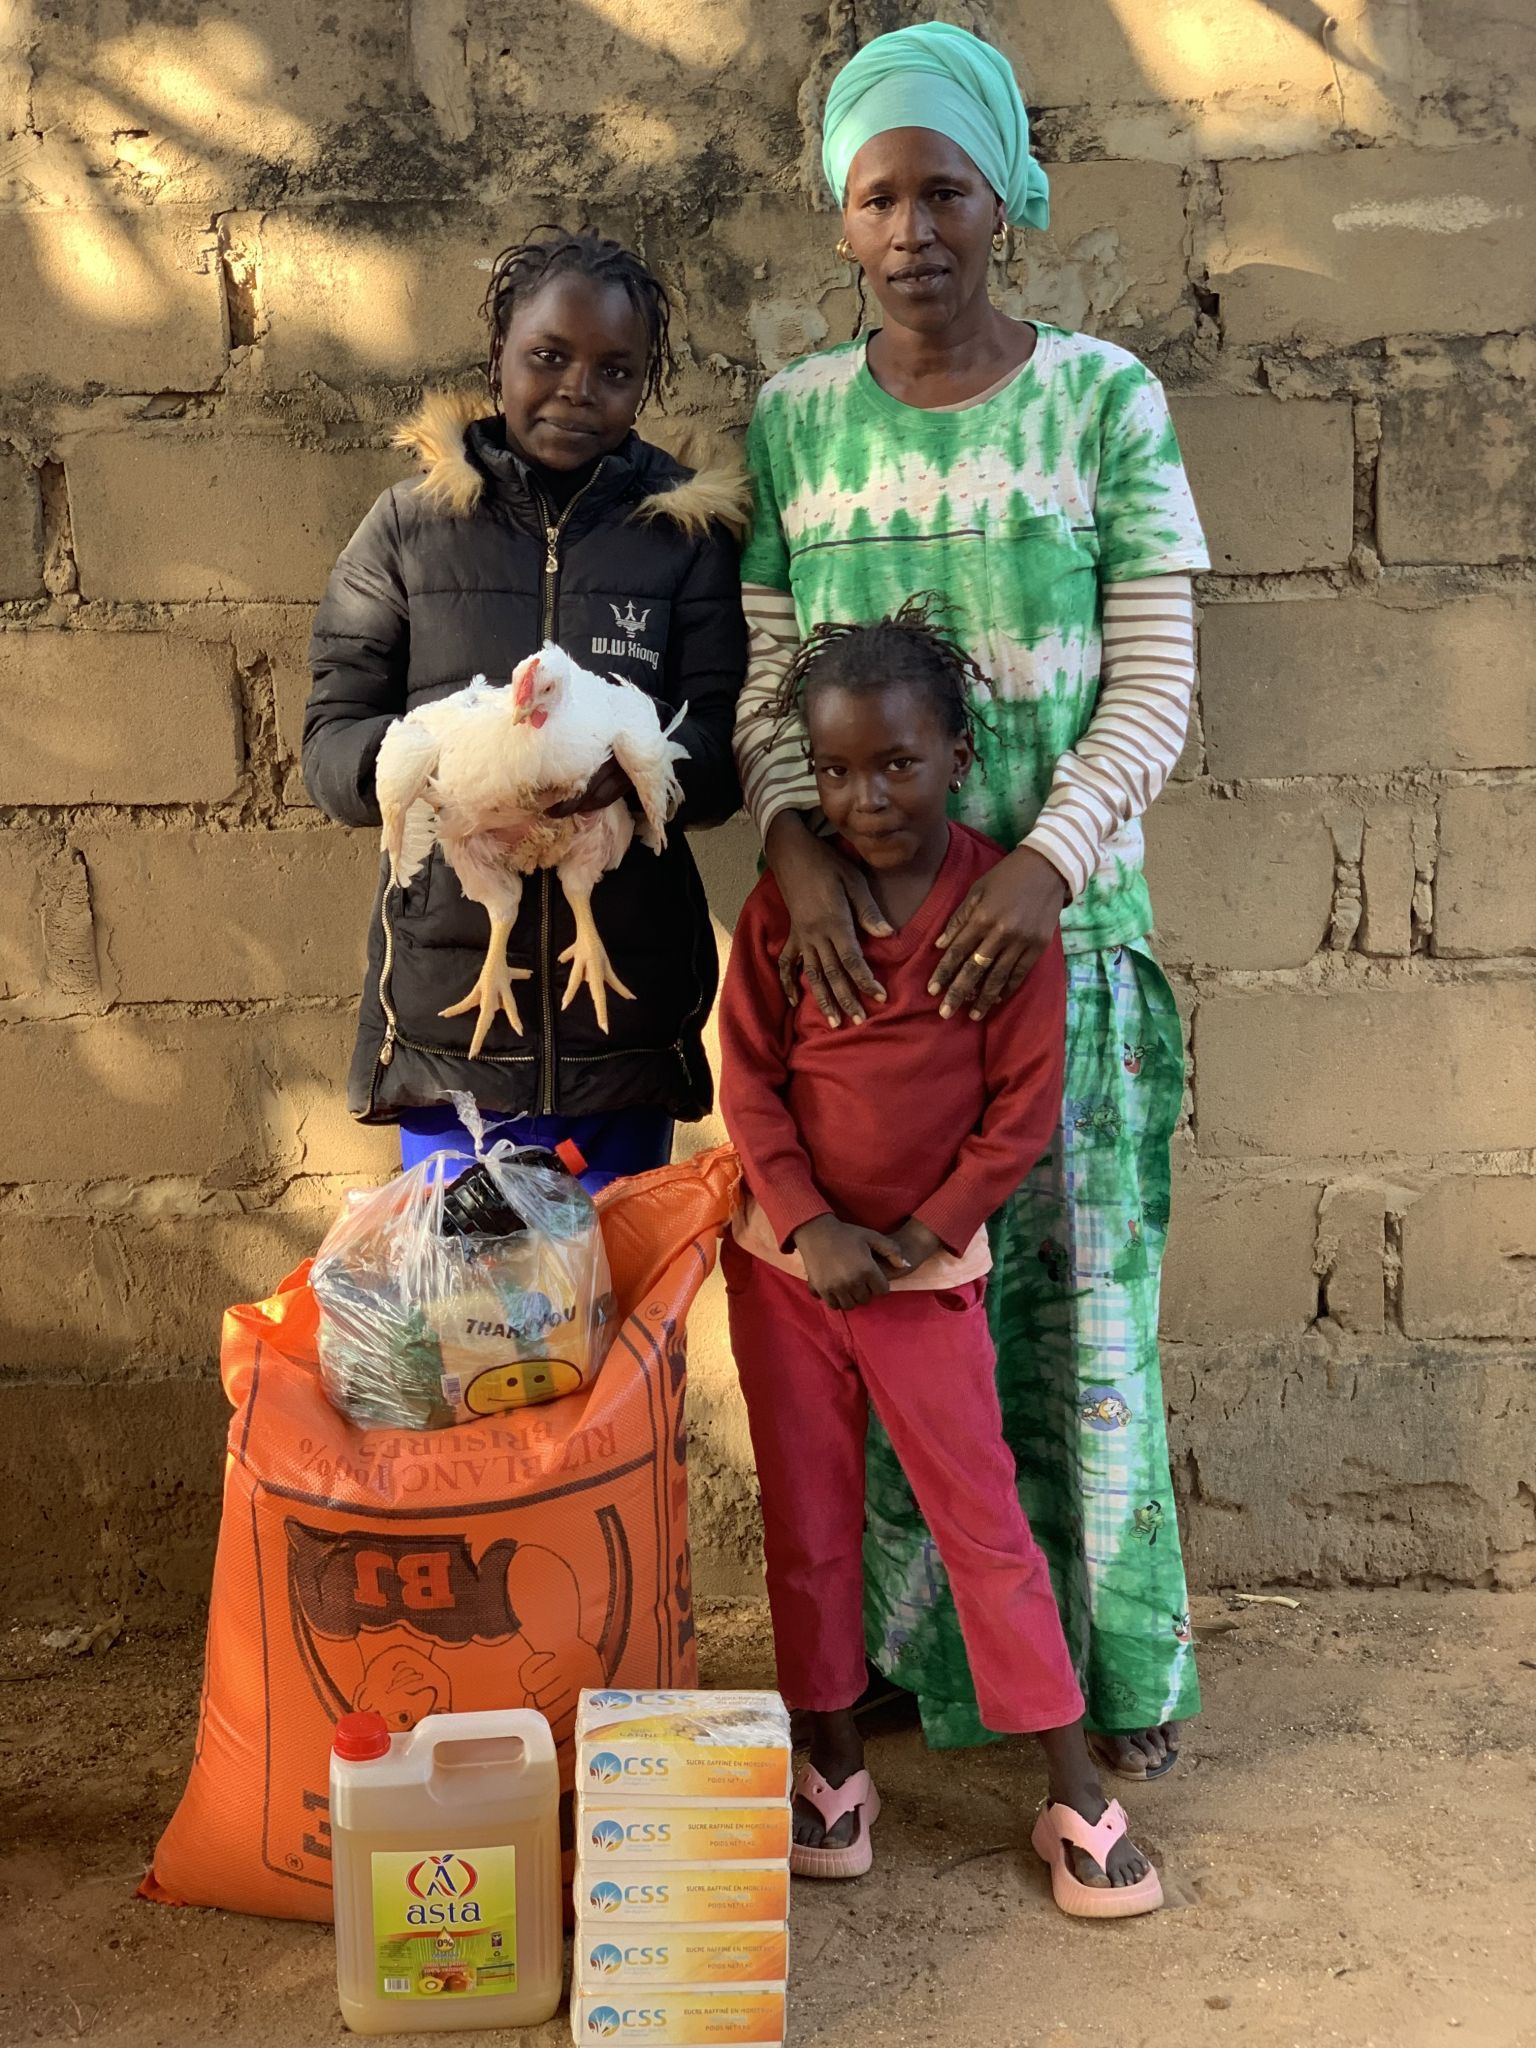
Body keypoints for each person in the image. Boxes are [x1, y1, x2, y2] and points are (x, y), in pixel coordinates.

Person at [734, 23, 1209, 1779]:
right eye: (880, 197)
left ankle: (1110, 1670)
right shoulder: (795, 418)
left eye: (947, 190)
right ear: (839, 220)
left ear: (1006, 198)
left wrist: (1042, 859)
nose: (914, 229)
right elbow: (766, 676)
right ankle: (918, 1668)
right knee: (887, 1329)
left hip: (1056, 952)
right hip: (866, 982)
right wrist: (791, 842)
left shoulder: (1103, 400)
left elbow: (1154, 679)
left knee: (1079, 1328)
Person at [719, 604, 1161, 1915]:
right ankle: (833, 1767)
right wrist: (810, 1225)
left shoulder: (999, 915)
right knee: (807, 1526)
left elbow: (1019, 1112)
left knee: (984, 1526)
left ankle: (1072, 1792)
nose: (866, 799)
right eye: (835, 771)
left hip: (922, 1280)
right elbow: (748, 1079)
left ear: (959, 757)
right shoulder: (786, 909)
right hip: (789, 1273)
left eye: (898, 765)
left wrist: (913, 1239)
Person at [304, 226, 749, 1190]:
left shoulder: (683, 535)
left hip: (619, 1014)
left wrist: (638, 776)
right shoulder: (410, 528)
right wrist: (435, 768)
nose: (578, 390)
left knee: (612, 1278)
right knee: (464, 1282)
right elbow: (331, 745)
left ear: (645, 383)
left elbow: (722, 750)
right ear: (498, 353)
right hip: (451, 1012)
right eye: (548, 356)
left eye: (615, 371)